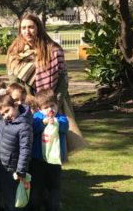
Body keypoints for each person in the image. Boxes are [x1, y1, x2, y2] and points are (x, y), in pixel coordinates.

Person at [6, 13, 85, 153]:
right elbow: (14, 83)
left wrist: (54, 102)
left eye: (31, 27)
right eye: (23, 28)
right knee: (29, 142)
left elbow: (63, 80)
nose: (27, 31)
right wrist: (28, 101)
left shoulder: (54, 50)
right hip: (26, 102)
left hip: (52, 102)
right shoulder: (14, 52)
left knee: (54, 142)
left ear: (38, 27)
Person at [22, 89, 69, 211]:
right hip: (38, 161)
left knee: (54, 192)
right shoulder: (36, 118)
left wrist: (55, 122)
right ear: (39, 108)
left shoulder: (61, 118)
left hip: (54, 162)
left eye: (52, 106)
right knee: (36, 191)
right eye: (46, 107)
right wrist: (43, 123)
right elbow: (31, 129)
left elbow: (64, 127)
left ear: (57, 105)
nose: (50, 110)